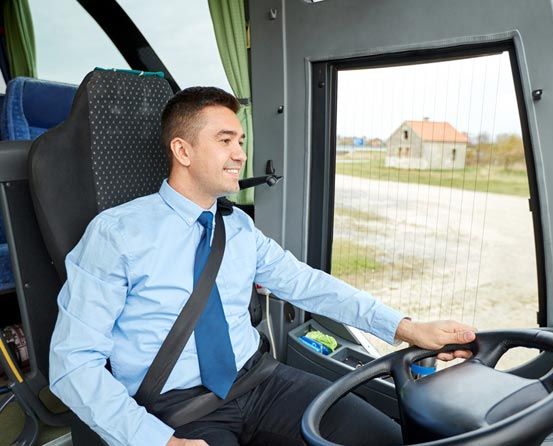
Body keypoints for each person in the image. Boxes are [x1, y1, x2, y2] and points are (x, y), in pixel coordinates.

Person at [49, 86, 476, 446]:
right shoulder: (116, 234)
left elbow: (308, 284)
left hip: (260, 381)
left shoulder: (237, 229)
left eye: (241, 141)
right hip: (175, 409)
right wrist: (154, 439)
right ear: (182, 150)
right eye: (225, 140)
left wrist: (405, 328)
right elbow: (73, 364)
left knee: (386, 439)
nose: (239, 154)